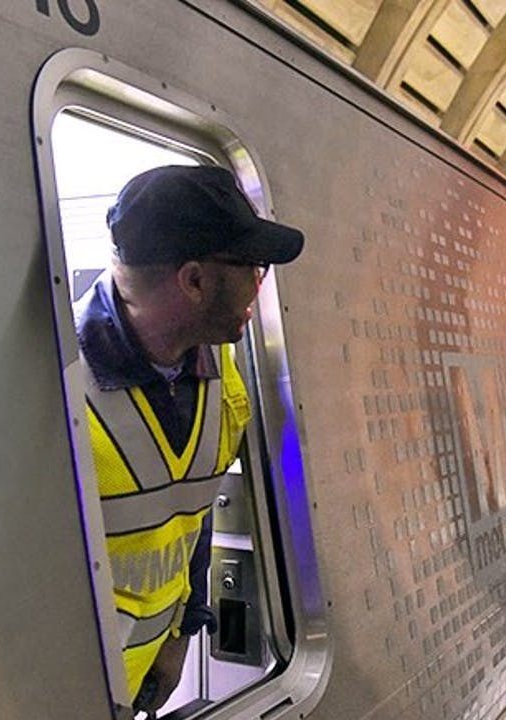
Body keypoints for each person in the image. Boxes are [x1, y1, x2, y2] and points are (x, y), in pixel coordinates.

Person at [73, 165, 304, 716]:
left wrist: (183, 633)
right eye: (253, 266)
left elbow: (190, 514)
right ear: (194, 280)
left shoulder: (223, 377)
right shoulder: (57, 389)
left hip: (141, 685)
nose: (260, 282)